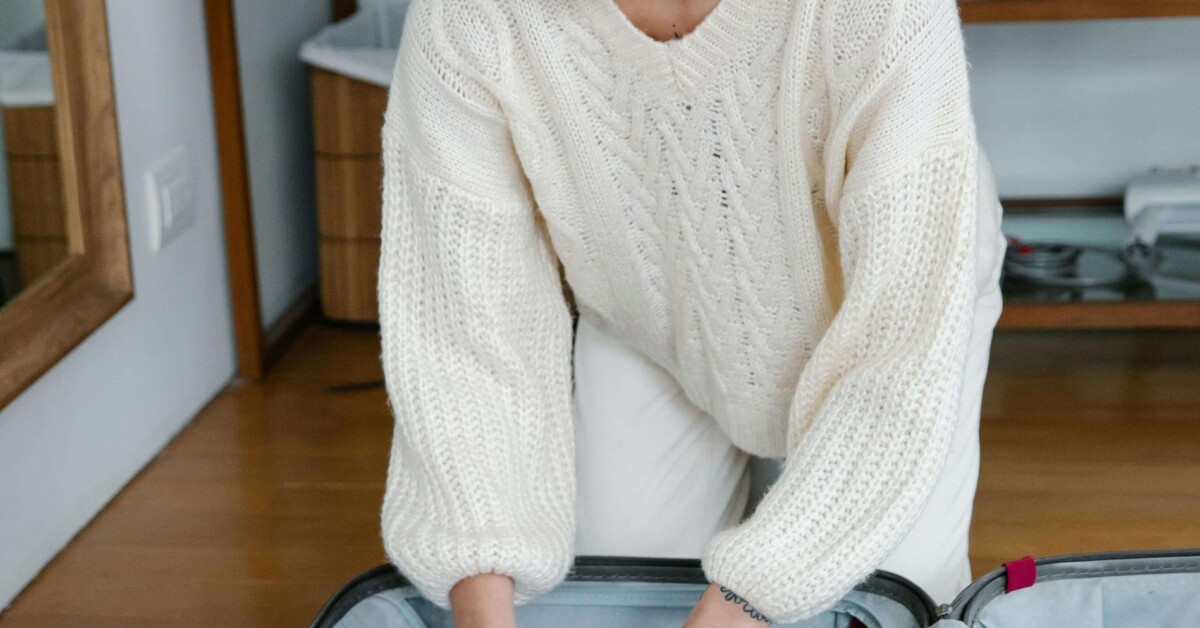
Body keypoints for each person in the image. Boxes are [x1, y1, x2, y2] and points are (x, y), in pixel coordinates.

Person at [375, 0, 1007, 625]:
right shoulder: (465, 19)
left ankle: (783, 511)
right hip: (647, 320)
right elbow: (465, 338)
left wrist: (749, 595)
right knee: (613, 605)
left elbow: (898, 343)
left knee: (889, 603)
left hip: (890, 322)